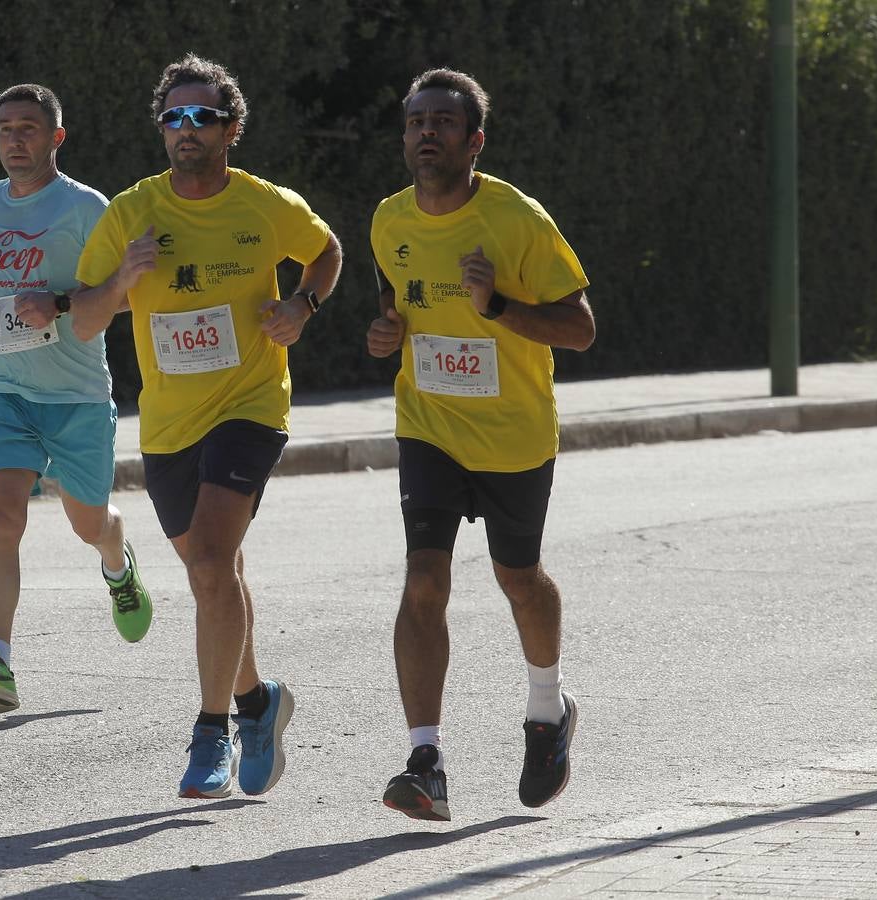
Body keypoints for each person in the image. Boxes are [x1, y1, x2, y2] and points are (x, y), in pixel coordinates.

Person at [70, 54, 342, 799]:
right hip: (168, 426)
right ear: (162, 129)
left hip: (250, 406)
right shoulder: (130, 212)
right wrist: (122, 280)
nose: (186, 129)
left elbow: (325, 253)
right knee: (212, 574)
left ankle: (209, 732)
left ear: (231, 129)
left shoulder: (264, 205)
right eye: (173, 117)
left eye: (202, 116)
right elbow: (84, 315)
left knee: (213, 564)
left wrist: (301, 309)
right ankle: (260, 703)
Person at [365, 67, 595, 821]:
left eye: (442, 121)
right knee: (423, 580)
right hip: (429, 426)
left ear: (475, 140)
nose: (425, 132)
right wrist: (385, 333)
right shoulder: (389, 221)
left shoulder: (518, 220)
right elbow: (394, 308)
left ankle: (545, 708)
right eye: (414, 121)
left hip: (513, 435)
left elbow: (581, 328)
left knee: (518, 579)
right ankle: (425, 758)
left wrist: (497, 303)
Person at [0, 83, 152, 716]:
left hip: (75, 395)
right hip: (5, 388)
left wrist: (62, 303)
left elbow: (126, 291)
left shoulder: (88, 208)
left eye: (27, 128)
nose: (14, 139)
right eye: (4, 129)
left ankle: (117, 559)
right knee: (1, 520)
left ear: (56, 137)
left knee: (88, 524)